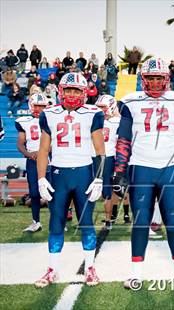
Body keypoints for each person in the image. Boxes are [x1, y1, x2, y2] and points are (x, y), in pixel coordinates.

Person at [112, 58, 174, 304]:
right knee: (141, 222)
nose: (153, 82)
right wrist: (119, 171)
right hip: (140, 168)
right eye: (149, 78)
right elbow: (123, 139)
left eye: (157, 78)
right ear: (143, 79)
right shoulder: (130, 102)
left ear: (166, 79)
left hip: (170, 168)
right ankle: (136, 274)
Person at [35, 72, 105, 288]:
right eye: (68, 90)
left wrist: (99, 178)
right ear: (61, 91)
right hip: (59, 174)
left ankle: (90, 268)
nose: (72, 94)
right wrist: (40, 179)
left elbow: (100, 150)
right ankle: (52, 269)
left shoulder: (93, 114)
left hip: (84, 173)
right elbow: (44, 148)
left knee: (86, 224)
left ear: (84, 92)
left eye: (76, 90)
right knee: (56, 223)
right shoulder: (49, 114)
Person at [16, 94, 49, 233]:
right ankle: (36, 222)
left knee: (52, 192)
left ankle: (58, 222)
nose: (39, 109)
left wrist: (43, 152)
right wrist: (30, 154)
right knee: (34, 193)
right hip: (32, 160)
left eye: (42, 106)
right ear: (31, 105)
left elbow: (55, 141)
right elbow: (20, 144)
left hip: (49, 158)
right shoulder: (24, 122)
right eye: (37, 105)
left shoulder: (50, 119)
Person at [94, 95, 120, 230]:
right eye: (98, 107)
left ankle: (108, 220)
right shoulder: (93, 119)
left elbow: (120, 144)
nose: (100, 110)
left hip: (108, 158)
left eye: (103, 107)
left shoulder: (117, 121)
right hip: (93, 157)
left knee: (107, 191)